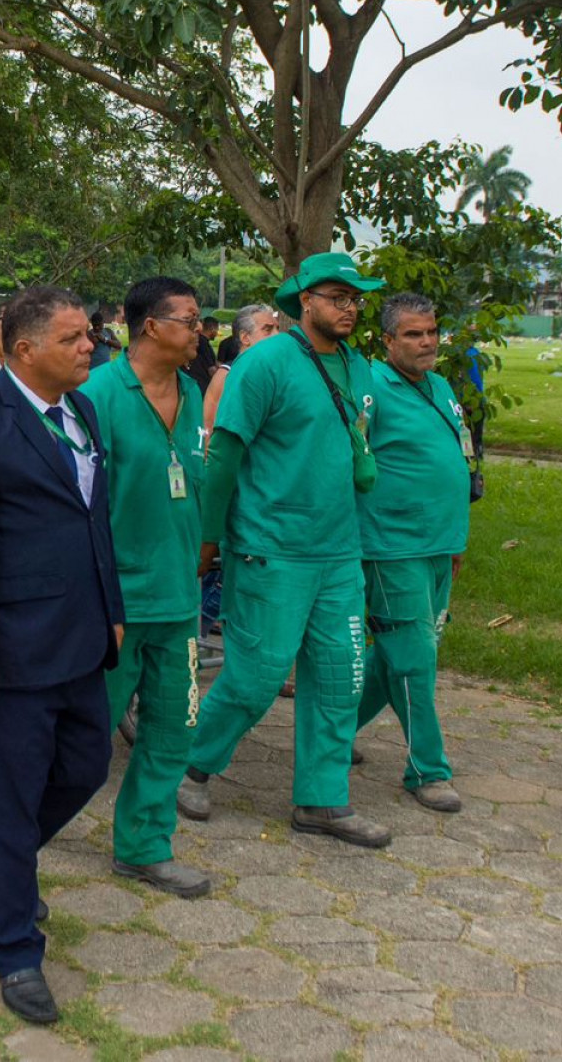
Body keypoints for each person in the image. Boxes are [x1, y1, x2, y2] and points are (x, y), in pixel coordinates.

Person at [0, 285, 123, 1026]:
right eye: (75, 337)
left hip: (80, 638)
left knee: (87, 765)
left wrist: (112, 609)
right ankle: (15, 948)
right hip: (10, 650)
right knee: (11, 800)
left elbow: (91, 518)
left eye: (90, 335)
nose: (90, 347)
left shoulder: (81, 411)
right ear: (24, 350)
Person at [181, 252, 391, 849]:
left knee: (339, 676)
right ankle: (191, 767)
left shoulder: (358, 367)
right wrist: (208, 536)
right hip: (271, 548)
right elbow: (224, 453)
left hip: (338, 551)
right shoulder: (266, 363)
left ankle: (322, 801)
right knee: (258, 674)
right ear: (304, 302)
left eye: (354, 298)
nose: (348, 307)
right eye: (335, 297)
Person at [79, 277, 214, 899]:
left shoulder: (192, 390)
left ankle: (143, 846)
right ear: (151, 326)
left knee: (172, 726)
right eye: (190, 319)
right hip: (115, 602)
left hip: (178, 600)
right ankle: (17, 829)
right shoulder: (97, 394)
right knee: (85, 734)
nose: (200, 329)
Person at [355, 293, 472, 814]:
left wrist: (455, 543)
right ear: (387, 341)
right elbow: (352, 464)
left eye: (431, 332)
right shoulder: (369, 389)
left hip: (439, 545)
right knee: (416, 659)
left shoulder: (441, 386)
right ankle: (428, 768)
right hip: (391, 546)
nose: (426, 343)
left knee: (397, 657)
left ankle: (330, 731)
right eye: (412, 335)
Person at [201, 304, 279, 433]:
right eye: (268, 329)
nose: (277, 335)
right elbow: (208, 428)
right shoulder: (226, 375)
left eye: (277, 328)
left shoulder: (276, 372)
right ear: (245, 338)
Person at [186, 315, 221, 391]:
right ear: (212, 328)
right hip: (201, 385)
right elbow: (211, 370)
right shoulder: (203, 344)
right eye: (217, 329)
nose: (217, 332)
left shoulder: (202, 341)